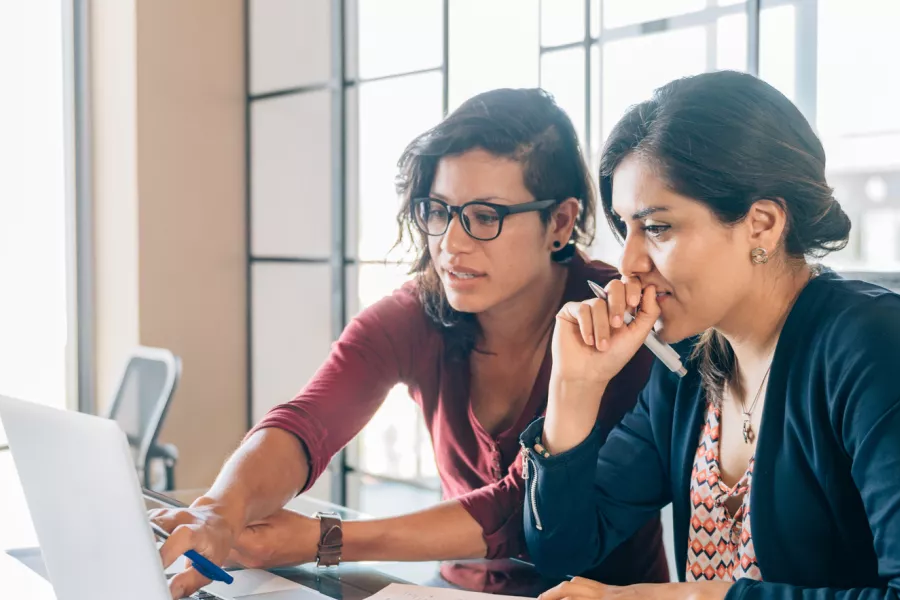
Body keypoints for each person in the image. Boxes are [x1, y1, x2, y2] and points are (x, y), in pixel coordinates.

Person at [150, 88, 669, 600]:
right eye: (439, 211)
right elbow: (308, 420)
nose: (451, 243)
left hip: (603, 594)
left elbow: (518, 512)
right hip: (449, 588)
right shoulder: (421, 310)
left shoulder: (618, 321)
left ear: (559, 222)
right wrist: (219, 509)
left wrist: (322, 538)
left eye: (485, 217)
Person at [521, 71, 900, 600]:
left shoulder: (873, 345)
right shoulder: (689, 360)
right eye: (626, 228)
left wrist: (695, 596)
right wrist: (573, 390)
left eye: (658, 228)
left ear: (762, 223)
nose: (629, 263)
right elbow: (562, 551)